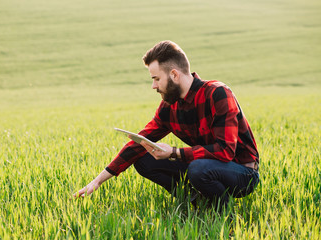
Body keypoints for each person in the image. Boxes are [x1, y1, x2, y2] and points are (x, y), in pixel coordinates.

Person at [74, 40, 259, 209]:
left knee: (198, 168)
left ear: (174, 75)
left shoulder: (217, 93)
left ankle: (223, 214)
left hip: (242, 173)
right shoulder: (169, 107)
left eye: (156, 79)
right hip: (205, 167)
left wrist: (174, 153)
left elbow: (225, 151)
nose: (154, 86)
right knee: (143, 157)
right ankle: (194, 202)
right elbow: (138, 143)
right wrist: (97, 181)